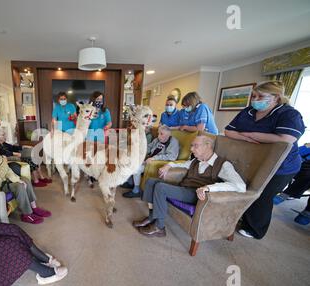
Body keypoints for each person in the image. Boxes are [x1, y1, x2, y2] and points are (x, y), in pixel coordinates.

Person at [225, 81, 306, 239]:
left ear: (276, 97)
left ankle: (255, 230)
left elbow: (287, 138)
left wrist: (252, 135)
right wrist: (246, 137)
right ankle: (244, 217)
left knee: (262, 195)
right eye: (254, 96)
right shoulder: (248, 111)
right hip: (255, 161)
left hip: (282, 166)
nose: (255, 99)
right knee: (248, 190)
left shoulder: (288, 113)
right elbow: (228, 131)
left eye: (260, 96)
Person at [133, 135, 246, 237]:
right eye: (192, 146)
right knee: (150, 182)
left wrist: (209, 188)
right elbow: (182, 164)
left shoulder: (223, 165)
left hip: (196, 195)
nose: (191, 149)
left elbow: (240, 186)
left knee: (160, 187)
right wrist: (169, 165)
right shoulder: (196, 160)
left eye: (195, 146)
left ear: (208, 146)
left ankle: (159, 226)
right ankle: (152, 217)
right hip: (184, 188)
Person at [0, 135, 51, 224]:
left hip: (3, 180)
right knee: (19, 186)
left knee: (24, 180)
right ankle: (27, 214)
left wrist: (16, 179)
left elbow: (7, 169)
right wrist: (4, 162)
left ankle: (34, 208)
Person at [123, 125, 180, 198]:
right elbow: (149, 147)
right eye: (158, 133)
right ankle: (131, 183)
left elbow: (171, 156)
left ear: (168, 135)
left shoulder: (173, 142)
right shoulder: (157, 140)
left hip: (156, 162)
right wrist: (140, 153)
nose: (159, 136)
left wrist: (154, 158)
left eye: (161, 134)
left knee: (137, 169)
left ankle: (136, 190)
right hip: (148, 158)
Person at [273, 143, 310, 225]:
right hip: (304, 165)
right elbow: (298, 151)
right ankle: (286, 194)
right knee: (307, 175)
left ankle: (307, 212)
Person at [86, 91, 112, 188]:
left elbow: (110, 123)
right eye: (97, 99)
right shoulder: (89, 109)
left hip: (101, 136)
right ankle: (89, 176)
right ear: (93, 99)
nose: (99, 101)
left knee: (99, 157)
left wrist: (107, 126)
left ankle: (97, 174)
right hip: (90, 135)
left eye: (101, 99)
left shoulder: (105, 111)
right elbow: (84, 120)